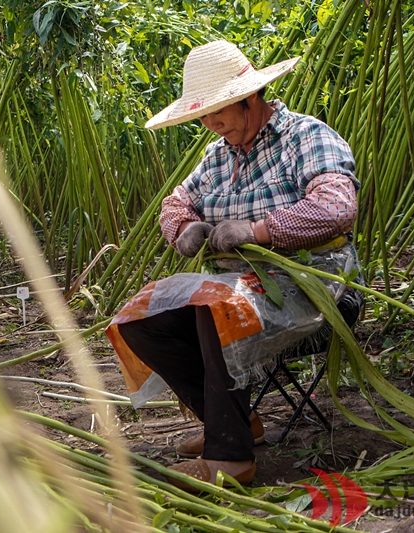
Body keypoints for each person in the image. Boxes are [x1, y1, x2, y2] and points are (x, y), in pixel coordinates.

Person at [105, 40, 363, 490]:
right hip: (239, 295)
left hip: (318, 291)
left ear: (251, 97)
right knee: (138, 319)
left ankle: (231, 459)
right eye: (203, 115)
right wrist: (184, 227)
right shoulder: (217, 157)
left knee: (216, 304)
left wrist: (257, 230)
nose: (210, 123)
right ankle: (237, 420)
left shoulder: (306, 136)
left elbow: (337, 206)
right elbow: (176, 202)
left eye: (218, 111)